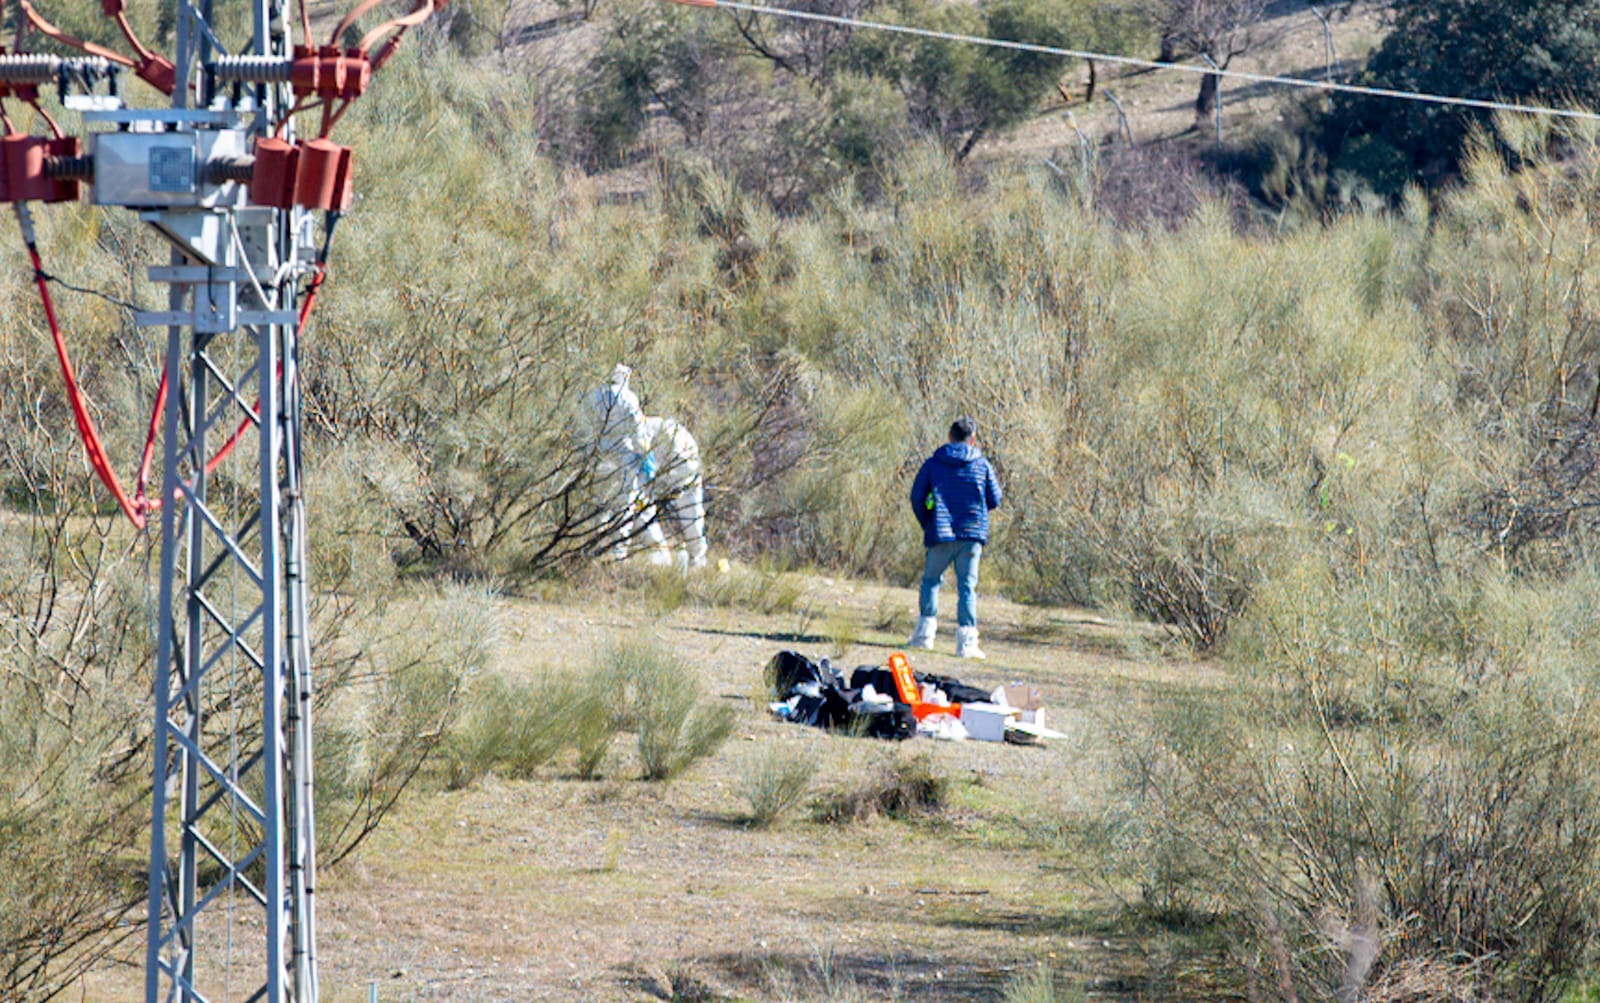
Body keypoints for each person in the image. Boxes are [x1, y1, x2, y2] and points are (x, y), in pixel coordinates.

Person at [906, 417, 1002, 659]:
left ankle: (924, 636)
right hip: (971, 535)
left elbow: (916, 497)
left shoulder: (933, 463)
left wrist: (928, 522)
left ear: (950, 436)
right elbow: (995, 499)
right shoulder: (982, 465)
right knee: (967, 587)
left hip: (940, 532)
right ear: (972, 439)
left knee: (930, 581)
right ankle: (966, 644)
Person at [580, 364, 670, 564]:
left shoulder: (594, 395)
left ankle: (593, 546)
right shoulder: (628, 398)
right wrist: (645, 455)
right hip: (623, 459)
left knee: (599, 503)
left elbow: (583, 426)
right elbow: (638, 433)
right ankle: (618, 552)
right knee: (624, 505)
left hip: (599, 456)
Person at [640, 414, 707, 569]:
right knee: (643, 508)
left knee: (642, 505)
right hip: (677, 467)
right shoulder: (650, 430)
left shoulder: (647, 432)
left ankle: (689, 560)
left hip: (680, 469)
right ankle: (667, 558)